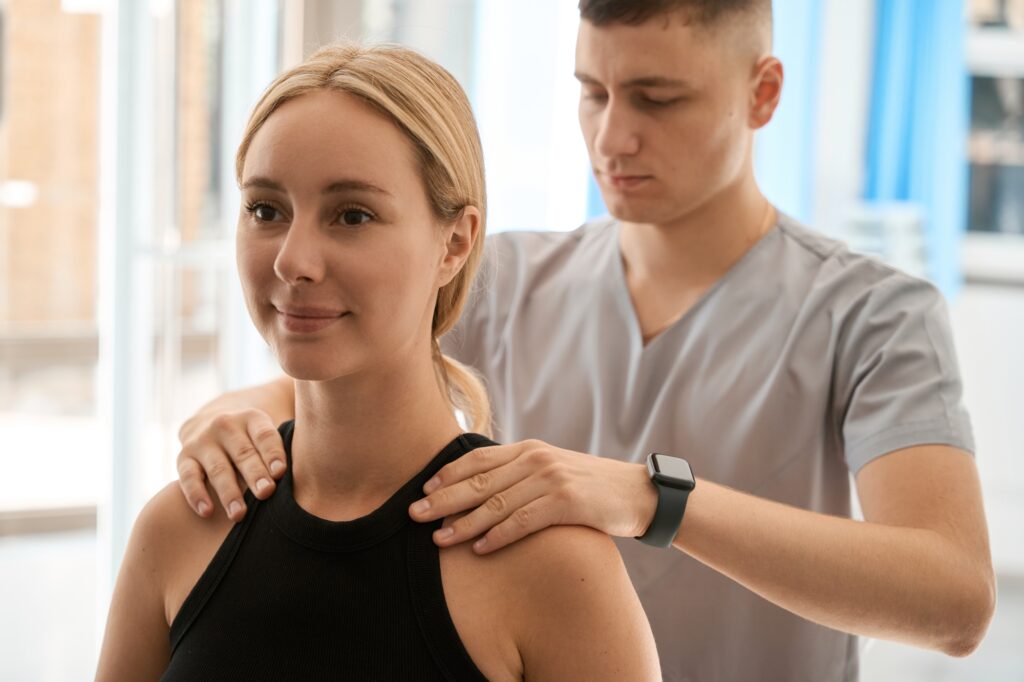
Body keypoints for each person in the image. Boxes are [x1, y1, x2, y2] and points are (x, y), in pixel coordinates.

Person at [174, 1, 997, 680]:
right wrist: (235, 410)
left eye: (656, 98)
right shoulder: (508, 276)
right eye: (592, 93)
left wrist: (649, 500)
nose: (612, 138)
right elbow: (356, 370)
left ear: (763, 93)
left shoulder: (875, 314)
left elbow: (954, 599)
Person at [95, 42, 660, 681]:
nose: (292, 261)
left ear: (454, 242)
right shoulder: (178, 531)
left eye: (352, 215)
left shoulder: (553, 567)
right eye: (265, 210)